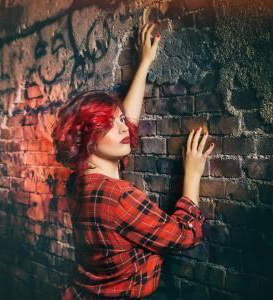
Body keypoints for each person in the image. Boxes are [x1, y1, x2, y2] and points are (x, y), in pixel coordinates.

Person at [52, 9, 215, 300]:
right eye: (109, 124)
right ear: (88, 139)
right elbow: (185, 235)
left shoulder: (78, 183)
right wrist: (192, 174)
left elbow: (128, 123)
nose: (122, 127)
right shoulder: (118, 197)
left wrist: (144, 64)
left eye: (119, 120)